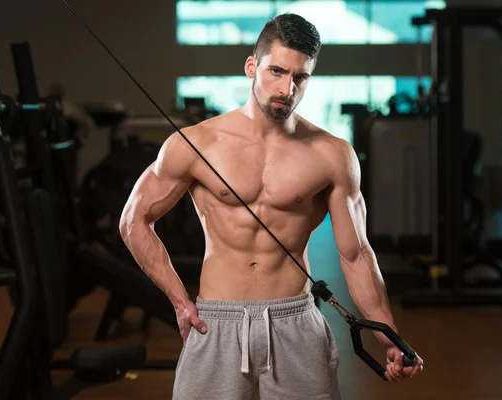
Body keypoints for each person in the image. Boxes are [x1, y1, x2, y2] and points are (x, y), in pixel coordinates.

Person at [119, 13, 424, 399]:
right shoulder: (195, 143)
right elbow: (134, 220)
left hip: (295, 322)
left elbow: (356, 255)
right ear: (252, 66)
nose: (287, 88)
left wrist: (387, 333)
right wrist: (180, 301)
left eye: (300, 77)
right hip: (217, 322)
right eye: (277, 71)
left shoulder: (331, 155)